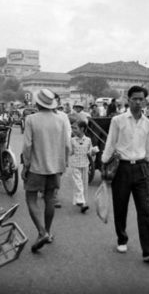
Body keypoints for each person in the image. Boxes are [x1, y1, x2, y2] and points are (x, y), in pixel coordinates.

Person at [102, 86, 149, 265]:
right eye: (135, 99)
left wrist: (147, 167)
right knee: (120, 207)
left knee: (145, 211)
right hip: (121, 168)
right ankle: (122, 239)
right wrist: (105, 163)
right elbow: (110, 142)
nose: (138, 102)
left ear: (145, 101)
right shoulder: (117, 120)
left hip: (141, 169)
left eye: (141, 99)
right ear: (128, 100)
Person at [21, 88, 71, 253]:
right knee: (50, 198)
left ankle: (41, 232)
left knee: (31, 198)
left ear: (37, 103)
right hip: (55, 167)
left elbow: (27, 146)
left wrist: (25, 166)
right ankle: (47, 232)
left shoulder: (31, 119)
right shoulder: (61, 120)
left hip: (36, 166)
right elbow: (66, 145)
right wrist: (63, 165)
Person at [69, 120, 97, 213]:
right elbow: (70, 152)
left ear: (82, 129)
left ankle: (82, 203)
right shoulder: (72, 140)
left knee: (84, 184)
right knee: (78, 184)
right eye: (72, 128)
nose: (73, 130)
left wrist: (93, 151)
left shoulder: (88, 140)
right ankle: (83, 203)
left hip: (85, 164)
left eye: (75, 128)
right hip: (75, 165)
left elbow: (90, 152)